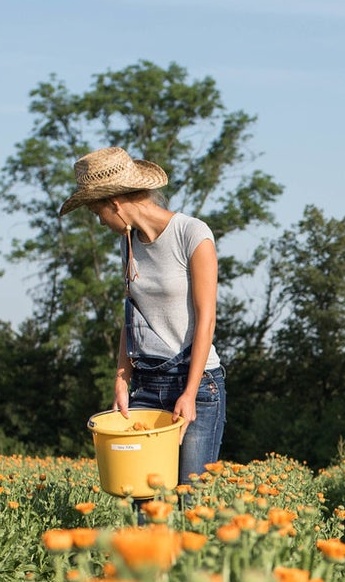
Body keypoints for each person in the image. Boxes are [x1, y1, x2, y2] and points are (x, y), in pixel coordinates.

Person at [59, 146, 225, 483]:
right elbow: (131, 314)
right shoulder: (127, 242)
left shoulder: (192, 234)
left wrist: (189, 393)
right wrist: (122, 378)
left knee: (188, 499)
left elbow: (206, 319)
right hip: (146, 383)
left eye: (97, 213)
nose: (100, 221)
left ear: (115, 204)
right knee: (141, 496)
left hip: (196, 382)